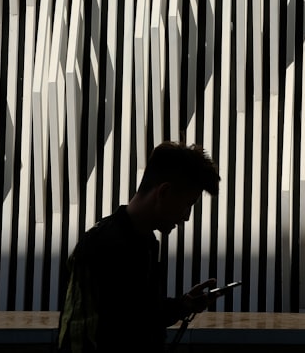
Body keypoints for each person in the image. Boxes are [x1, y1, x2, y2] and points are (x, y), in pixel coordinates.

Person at [58, 142, 224, 352]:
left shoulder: (142, 242)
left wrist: (183, 305)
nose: (187, 216)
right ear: (163, 192)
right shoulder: (105, 246)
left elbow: (139, 313)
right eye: (188, 204)